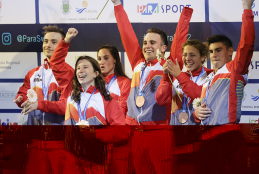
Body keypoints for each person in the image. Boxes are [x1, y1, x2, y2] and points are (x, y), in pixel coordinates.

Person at [112, 0, 193, 173]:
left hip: (158, 134)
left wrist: (186, 12)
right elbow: (126, 33)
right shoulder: (137, 63)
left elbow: (179, 40)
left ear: (163, 48)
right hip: (134, 133)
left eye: (152, 43)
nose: (147, 46)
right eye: (145, 42)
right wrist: (117, 5)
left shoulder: (169, 65)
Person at [194, 0, 255, 125]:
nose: (214, 55)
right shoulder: (208, 78)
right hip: (205, 135)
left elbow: (247, 43)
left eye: (218, 50)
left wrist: (247, 8)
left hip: (225, 133)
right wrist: (196, 113)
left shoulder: (235, 68)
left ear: (230, 51)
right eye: (211, 51)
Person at [13, 25, 68, 125]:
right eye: (46, 41)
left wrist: (39, 104)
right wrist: (21, 98)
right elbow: (24, 93)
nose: (48, 45)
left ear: (62, 46)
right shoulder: (33, 73)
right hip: (34, 133)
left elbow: (67, 106)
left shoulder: (68, 73)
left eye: (54, 42)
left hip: (59, 134)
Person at [156, 40, 213, 125]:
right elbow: (161, 100)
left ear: (202, 57)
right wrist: (166, 77)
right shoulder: (179, 77)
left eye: (192, 55)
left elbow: (200, 95)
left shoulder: (210, 75)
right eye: (185, 55)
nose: (187, 59)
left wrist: (179, 75)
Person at [97, 45, 131, 116]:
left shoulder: (125, 82)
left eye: (106, 58)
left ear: (114, 60)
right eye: (99, 59)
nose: (101, 62)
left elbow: (122, 110)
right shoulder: (94, 82)